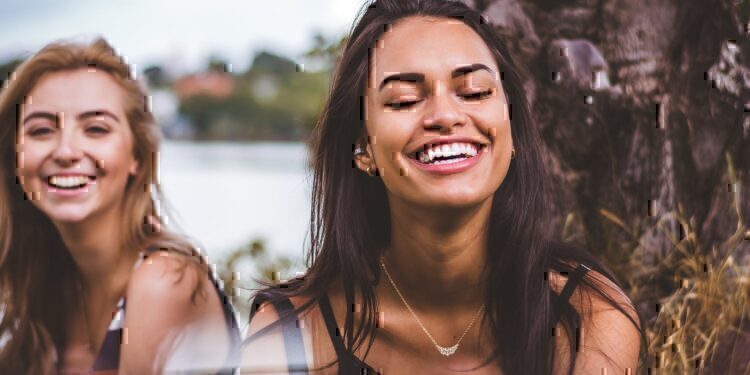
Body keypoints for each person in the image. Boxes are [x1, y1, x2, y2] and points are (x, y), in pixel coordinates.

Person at [242, 0, 642, 374]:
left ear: (512, 128)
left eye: (474, 92)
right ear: (362, 148)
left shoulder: (584, 317)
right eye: (404, 100)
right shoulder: (291, 337)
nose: (446, 115)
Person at [0, 38, 240, 374]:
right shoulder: (39, 283)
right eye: (41, 130)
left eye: (96, 129)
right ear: (14, 157)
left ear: (137, 158)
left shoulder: (164, 282)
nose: (66, 151)